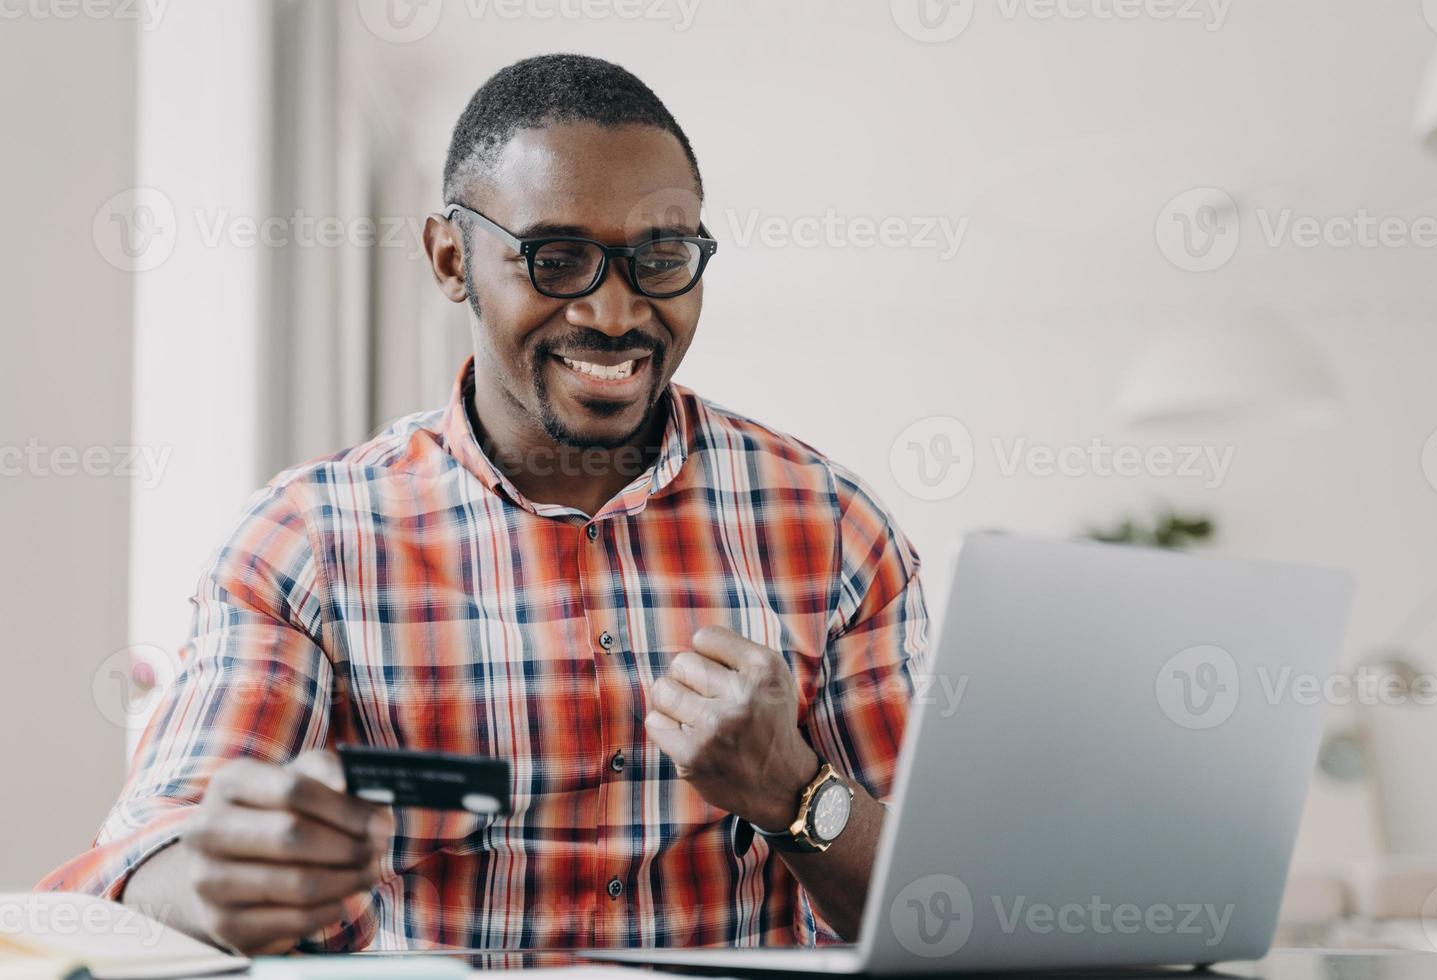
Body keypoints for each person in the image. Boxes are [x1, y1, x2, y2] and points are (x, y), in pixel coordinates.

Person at [40, 53, 928, 955]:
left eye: (659, 260)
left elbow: (936, 915)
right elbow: (143, 864)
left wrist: (797, 793)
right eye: (557, 259)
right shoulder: (309, 543)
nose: (616, 313)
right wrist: (217, 878)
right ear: (451, 257)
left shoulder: (833, 533)